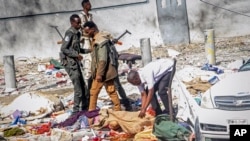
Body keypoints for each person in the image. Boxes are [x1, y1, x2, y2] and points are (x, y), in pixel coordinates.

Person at [82, 21, 121, 113]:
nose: (87, 34)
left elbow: (102, 59)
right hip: (102, 71)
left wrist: (99, 74)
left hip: (104, 72)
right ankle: (92, 111)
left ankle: (117, 110)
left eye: (88, 32)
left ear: (93, 29)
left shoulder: (100, 41)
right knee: (97, 92)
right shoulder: (96, 39)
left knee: (106, 91)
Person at [60, 14, 92, 115]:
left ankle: (84, 108)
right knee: (78, 88)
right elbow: (64, 49)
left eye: (79, 22)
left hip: (75, 62)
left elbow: (78, 49)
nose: (79, 24)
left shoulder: (77, 34)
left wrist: (88, 50)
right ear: (72, 23)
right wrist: (75, 55)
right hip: (70, 64)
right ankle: (75, 112)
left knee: (83, 86)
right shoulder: (69, 33)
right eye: (77, 23)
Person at [79, 0, 93, 101]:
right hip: (84, 41)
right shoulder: (80, 16)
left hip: (91, 40)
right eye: (89, 4)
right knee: (87, 64)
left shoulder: (90, 16)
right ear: (85, 6)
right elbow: (81, 29)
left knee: (92, 63)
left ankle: (90, 91)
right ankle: (87, 94)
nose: (90, 5)